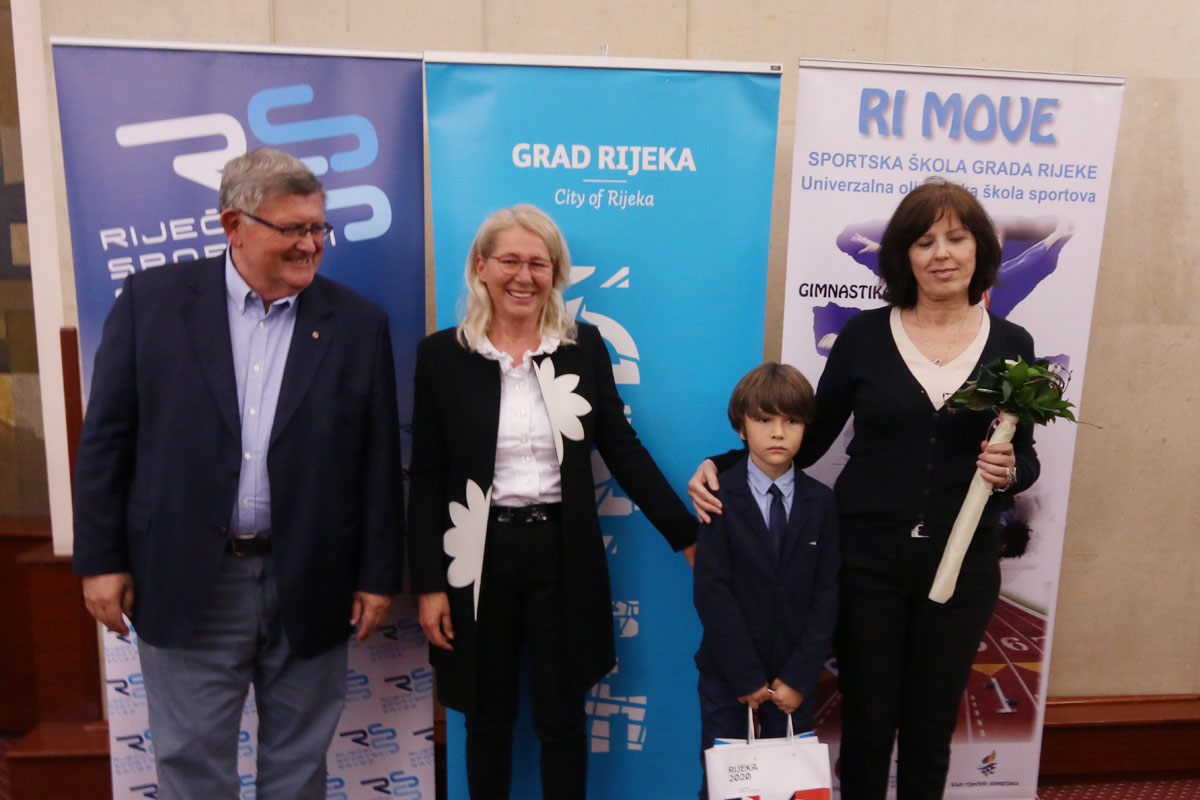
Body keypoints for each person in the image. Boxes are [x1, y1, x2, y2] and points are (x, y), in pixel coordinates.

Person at [689, 177, 1041, 800]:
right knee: (869, 723)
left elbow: (1027, 458)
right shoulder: (865, 337)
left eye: (956, 238)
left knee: (932, 726)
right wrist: (725, 464)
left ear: (980, 249)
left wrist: (1009, 470)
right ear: (904, 255)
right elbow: (811, 436)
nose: (941, 253)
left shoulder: (1014, 346)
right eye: (924, 241)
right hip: (866, 561)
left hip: (960, 567)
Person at [72, 148, 405, 799]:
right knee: (191, 764)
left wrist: (375, 575)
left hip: (311, 578)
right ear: (234, 225)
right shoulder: (152, 303)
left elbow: (376, 461)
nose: (311, 244)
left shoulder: (357, 324)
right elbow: (107, 442)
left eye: (318, 227)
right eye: (293, 228)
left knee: (299, 767)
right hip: (187, 579)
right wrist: (100, 560)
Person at [407, 204, 696, 799]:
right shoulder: (442, 356)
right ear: (481, 267)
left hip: (561, 555)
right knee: (486, 720)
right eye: (510, 261)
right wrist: (430, 584)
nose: (524, 276)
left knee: (562, 719)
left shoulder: (582, 347)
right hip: (475, 560)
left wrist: (686, 534)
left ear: (555, 273)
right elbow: (429, 476)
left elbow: (621, 448)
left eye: (539, 263)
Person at [693, 363, 839, 798]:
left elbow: (827, 592)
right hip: (728, 674)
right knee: (726, 787)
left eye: (791, 421)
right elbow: (711, 590)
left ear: (806, 428)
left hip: (795, 676)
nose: (778, 433)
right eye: (763, 419)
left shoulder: (822, 502)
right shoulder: (717, 496)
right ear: (742, 427)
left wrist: (799, 676)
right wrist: (745, 677)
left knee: (789, 787)